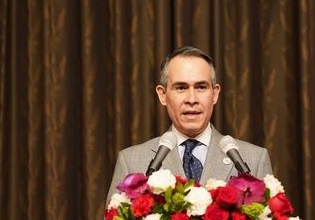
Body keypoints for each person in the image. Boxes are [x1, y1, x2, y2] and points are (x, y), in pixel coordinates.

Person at [106, 46, 273, 204]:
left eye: (201, 87)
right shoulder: (131, 162)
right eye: (181, 88)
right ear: (162, 95)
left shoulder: (254, 159)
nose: (191, 99)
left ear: (214, 94)